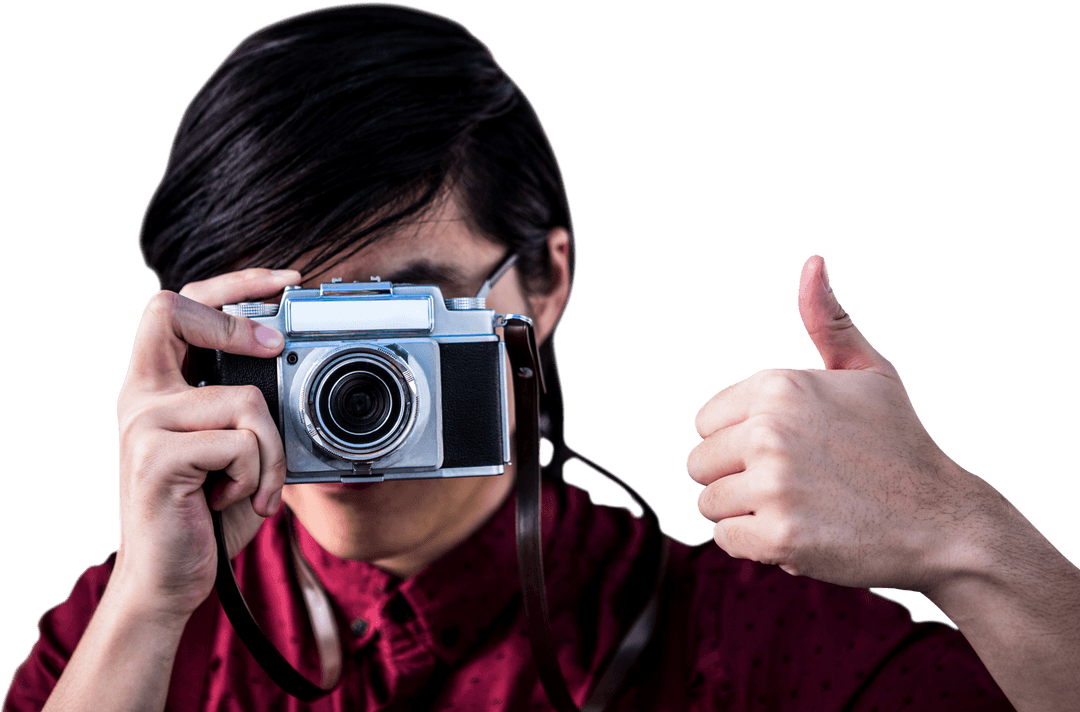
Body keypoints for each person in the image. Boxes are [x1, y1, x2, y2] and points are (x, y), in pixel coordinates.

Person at [4, 4, 1077, 711]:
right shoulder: (126, 625)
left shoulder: (751, 640)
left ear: (545, 283)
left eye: (410, 301)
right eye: (290, 310)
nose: (358, 375)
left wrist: (960, 531)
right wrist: (151, 605)